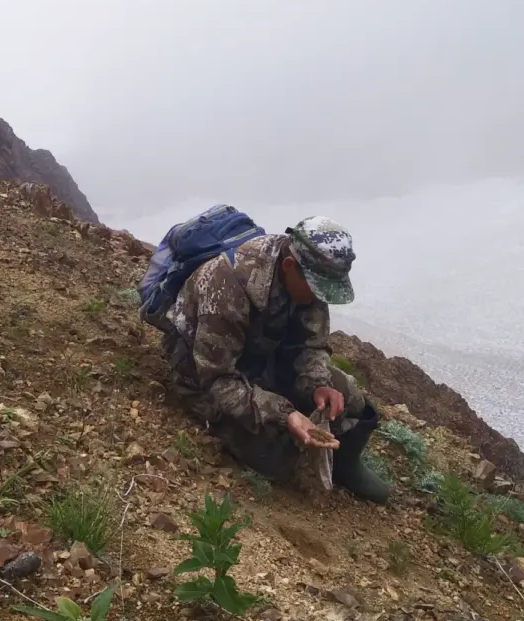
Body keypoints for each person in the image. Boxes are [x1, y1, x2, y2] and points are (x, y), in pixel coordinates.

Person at [158, 215, 390, 504]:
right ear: (289, 265)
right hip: (204, 371)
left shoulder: (308, 281)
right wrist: (284, 414)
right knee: (276, 455)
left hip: (263, 354)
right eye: (317, 289)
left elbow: (310, 345)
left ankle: (344, 463)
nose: (320, 298)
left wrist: (318, 385)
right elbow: (218, 381)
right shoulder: (227, 285)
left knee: (351, 399)